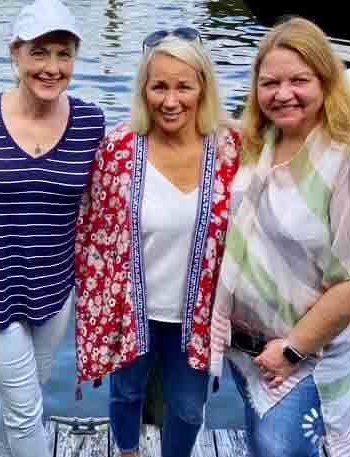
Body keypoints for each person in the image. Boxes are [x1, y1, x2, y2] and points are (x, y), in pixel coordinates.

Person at [74, 28, 241, 457]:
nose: (171, 100)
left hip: (199, 313)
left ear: (202, 87)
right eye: (159, 86)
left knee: (187, 408)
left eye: (184, 86)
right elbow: (88, 221)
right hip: (132, 307)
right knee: (126, 393)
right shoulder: (119, 148)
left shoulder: (229, 149)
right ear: (143, 89)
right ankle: (128, 451)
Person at [0, 0, 105, 455]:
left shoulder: (90, 123)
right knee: (25, 410)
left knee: (22, 399)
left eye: (63, 53)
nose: (51, 67)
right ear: (15, 54)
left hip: (54, 288)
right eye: (39, 52)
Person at [210, 17, 350, 457]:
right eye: (269, 82)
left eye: (299, 80)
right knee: (261, 443)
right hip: (246, 347)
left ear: (326, 81)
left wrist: (292, 348)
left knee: (280, 449)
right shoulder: (258, 143)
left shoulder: (342, 159)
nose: (283, 94)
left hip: (303, 356)